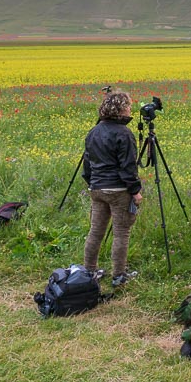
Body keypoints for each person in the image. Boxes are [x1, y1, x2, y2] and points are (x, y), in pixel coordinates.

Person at [82, 90, 143, 287]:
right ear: (121, 109)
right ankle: (119, 275)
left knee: (95, 231)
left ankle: (89, 271)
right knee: (121, 232)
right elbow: (128, 167)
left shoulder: (94, 131)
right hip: (118, 190)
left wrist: (93, 183)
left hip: (97, 188)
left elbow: (87, 164)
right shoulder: (124, 134)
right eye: (128, 106)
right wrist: (135, 191)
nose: (130, 109)